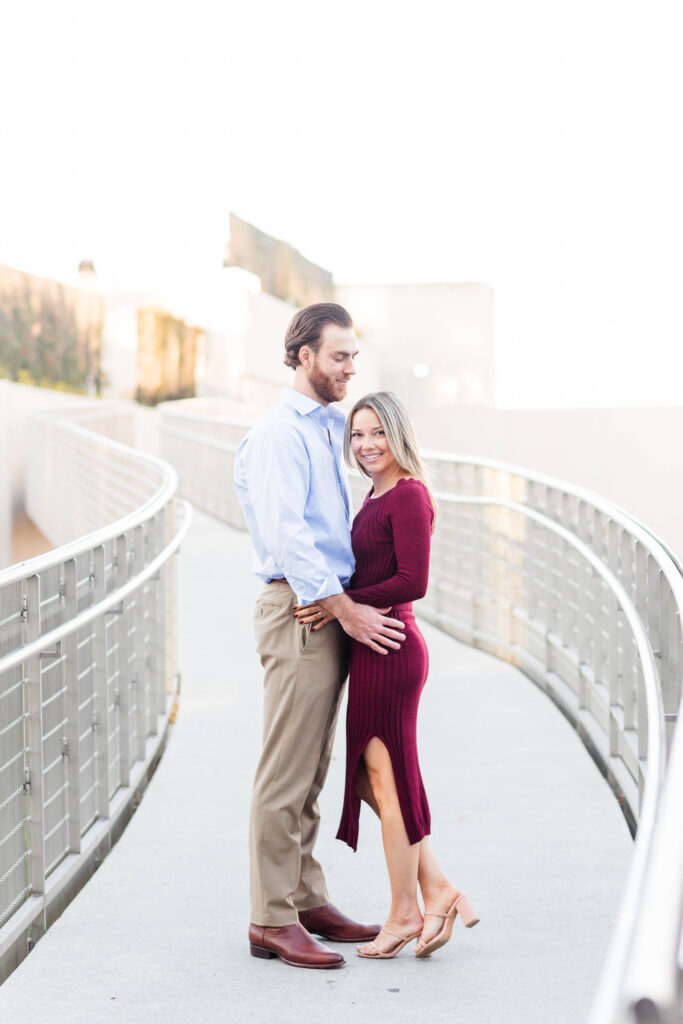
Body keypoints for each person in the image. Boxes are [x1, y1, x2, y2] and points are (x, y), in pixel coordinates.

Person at [234, 304, 407, 970]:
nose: (349, 368)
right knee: (284, 772)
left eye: (353, 357)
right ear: (303, 356)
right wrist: (344, 609)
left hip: (324, 609)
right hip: (304, 612)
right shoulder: (281, 433)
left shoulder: (328, 428)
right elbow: (288, 536)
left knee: (310, 769)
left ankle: (305, 897)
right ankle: (270, 919)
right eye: (339, 356)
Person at [296, 391, 479, 959]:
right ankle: (439, 888)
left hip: (393, 647)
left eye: (377, 433)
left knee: (388, 780)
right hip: (376, 648)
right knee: (377, 782)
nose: (367, 445)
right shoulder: (374, 496)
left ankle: (403, 915)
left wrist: (338, 602)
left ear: (398, 435)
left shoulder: (408, 495)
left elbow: (412, 580)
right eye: (357, 436)